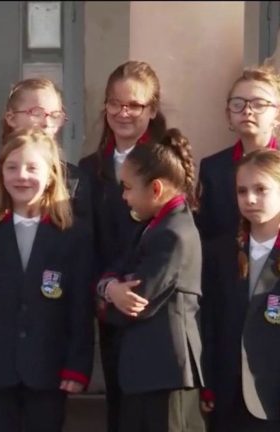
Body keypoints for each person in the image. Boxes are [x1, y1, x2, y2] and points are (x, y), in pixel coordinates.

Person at [0, 128, 94, 431]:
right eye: (12, 167)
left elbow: (80, 308)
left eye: (33, 167)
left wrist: (77, 365)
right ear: (0, 174)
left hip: (50, 368)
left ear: (51, 175)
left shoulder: (74, 236)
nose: (21, 176)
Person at [77, 60, 168, 432]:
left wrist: (129, 287)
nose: (123, 113)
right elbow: (87, 240)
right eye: (115, 103)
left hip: (151, 302)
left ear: (152, 109)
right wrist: (105, 287)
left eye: (134, 105)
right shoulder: (89, 166)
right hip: (107, 302)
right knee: (117, 405)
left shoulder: (165, 162)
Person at [95, 128, 205, 432]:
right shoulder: (150, 227)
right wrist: (110, 288)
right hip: (145, 374)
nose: (124, 197)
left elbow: (135, 304)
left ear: (155, 189)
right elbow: (115, 270)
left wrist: (110, 296)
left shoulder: (174, 233)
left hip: (167, 373)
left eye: (128, 188)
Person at [201, 149, 280, 431]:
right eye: (242, 191)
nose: (250, 199)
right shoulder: (223, 253)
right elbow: (209, 321)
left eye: (261, 189)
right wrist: (207, 383)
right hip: (227, 395)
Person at [0, 78, 91, 224]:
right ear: (11, 118)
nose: (47, 123)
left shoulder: (75, 178)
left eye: (55, 115)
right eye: (37, 113)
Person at [197, 65, 280, 242]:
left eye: (258, 104)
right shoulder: (213, 168)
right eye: (238, 104)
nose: (247, 111)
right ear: (228, 114)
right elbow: (207, 231)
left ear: (277, 115)